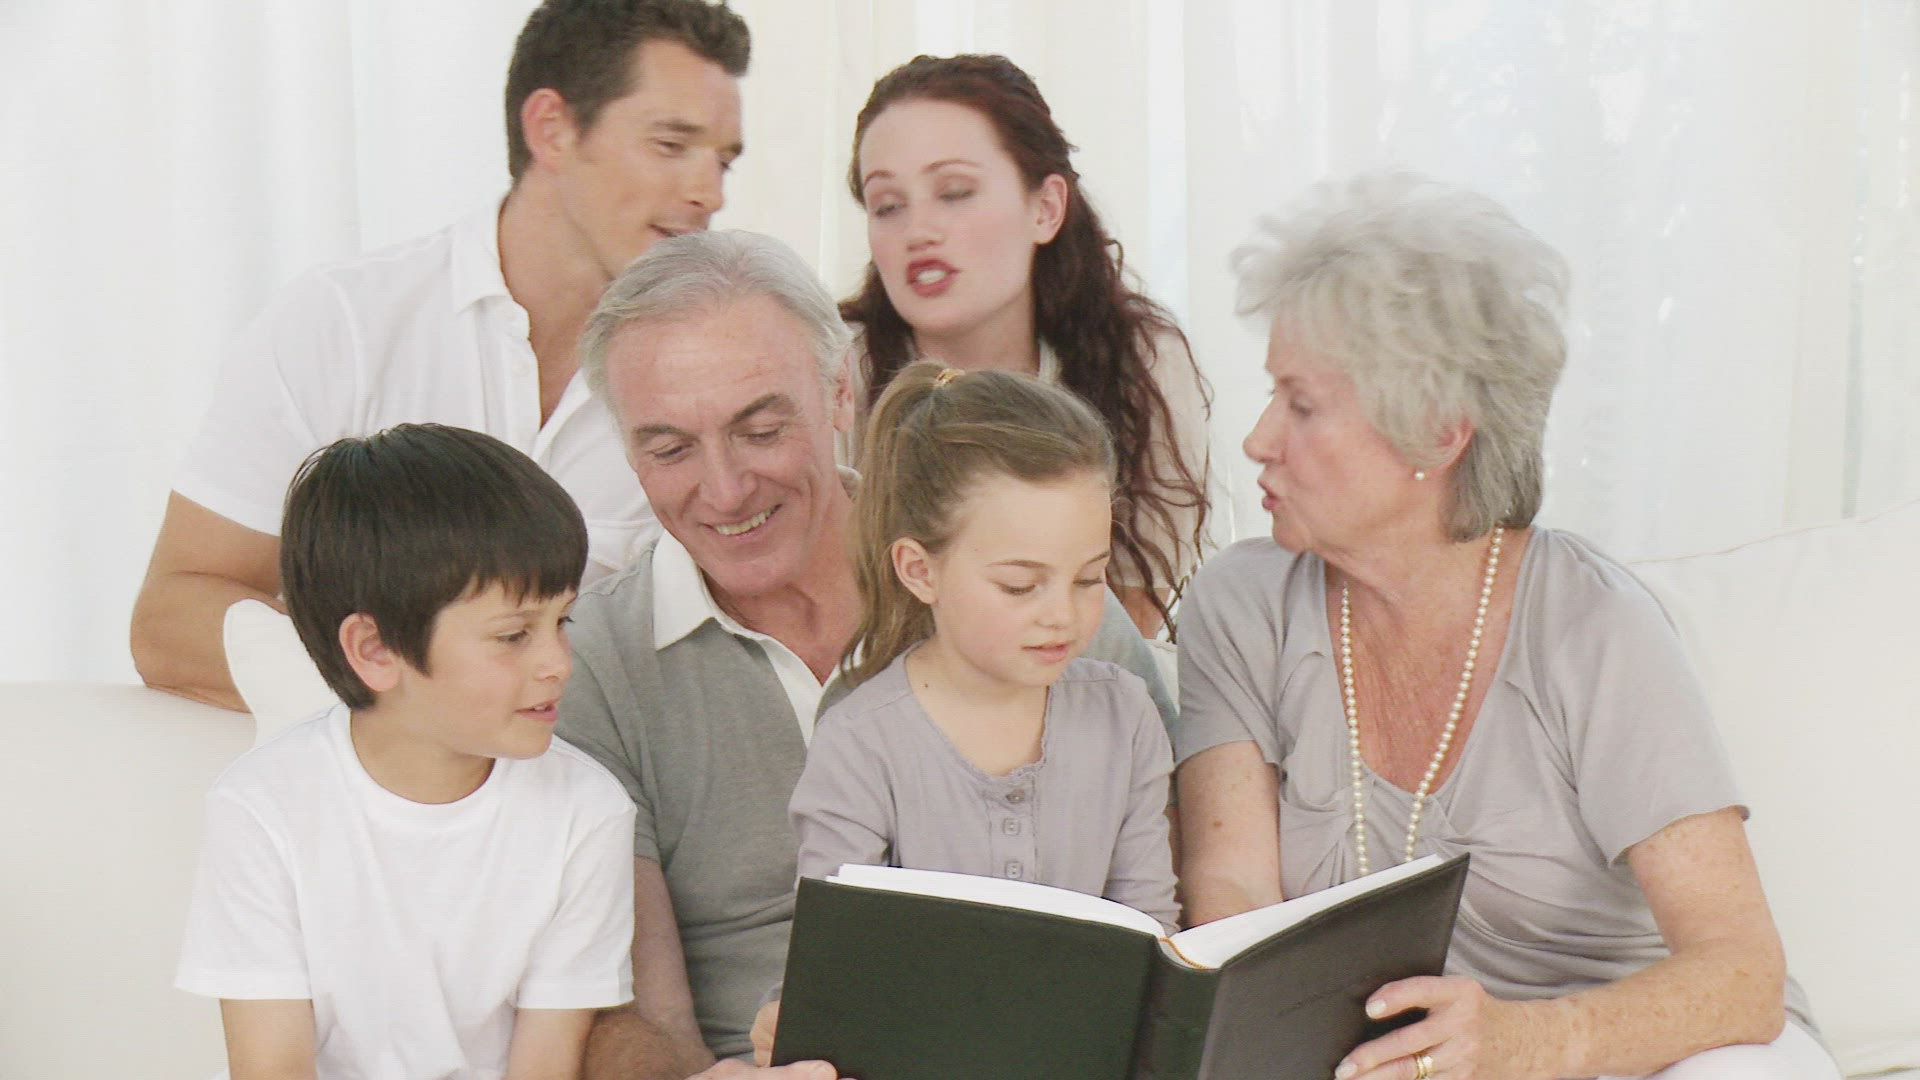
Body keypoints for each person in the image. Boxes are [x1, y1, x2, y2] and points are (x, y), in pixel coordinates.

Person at [1174, 172, 1838, 1080]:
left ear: (1438, 433)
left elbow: (1743, 976)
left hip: (1634, 1052)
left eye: (1302, 404)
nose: (1258, 439)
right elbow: (1235, 902)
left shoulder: (1592, 626)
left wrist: (1529, 1044)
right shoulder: (1242, 606)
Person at [555, 230, 1177, 1073]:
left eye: (761, 430)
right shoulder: (592, 663)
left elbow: (1168, 928)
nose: (725, 489)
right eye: (669, 449)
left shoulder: (1036, 595)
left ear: (841, 392)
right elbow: (628, 1015)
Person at [131, 0, 751, 711]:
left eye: (722, 161)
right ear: (551, 128)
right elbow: (171, 622)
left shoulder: (721, 373)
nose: (708, 193)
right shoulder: (342, 325)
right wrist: (422, 711)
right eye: (671, 145)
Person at [174, 424, 636, 1078]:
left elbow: (545, 1066)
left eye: (562, 621)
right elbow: (271, 1067)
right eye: (513, 635)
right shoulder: (262, 808)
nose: (557, 663)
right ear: (375, 650)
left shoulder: (588, 811)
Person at [749, 362, 1181, 1060]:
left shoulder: (1125, 717)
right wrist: (787, 1017)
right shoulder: (862, 741)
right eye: (1020, 585)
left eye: (1088, 578)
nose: (1062, 614)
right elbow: (834, 963)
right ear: (920, 570)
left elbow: (1149, 931)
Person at [839, 53, 1212, 637]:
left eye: (955, 192)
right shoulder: (838, 373)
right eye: (887, 205)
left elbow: (1127, 629)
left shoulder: (1141, 362)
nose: (918, 231)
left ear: (1046, 208)